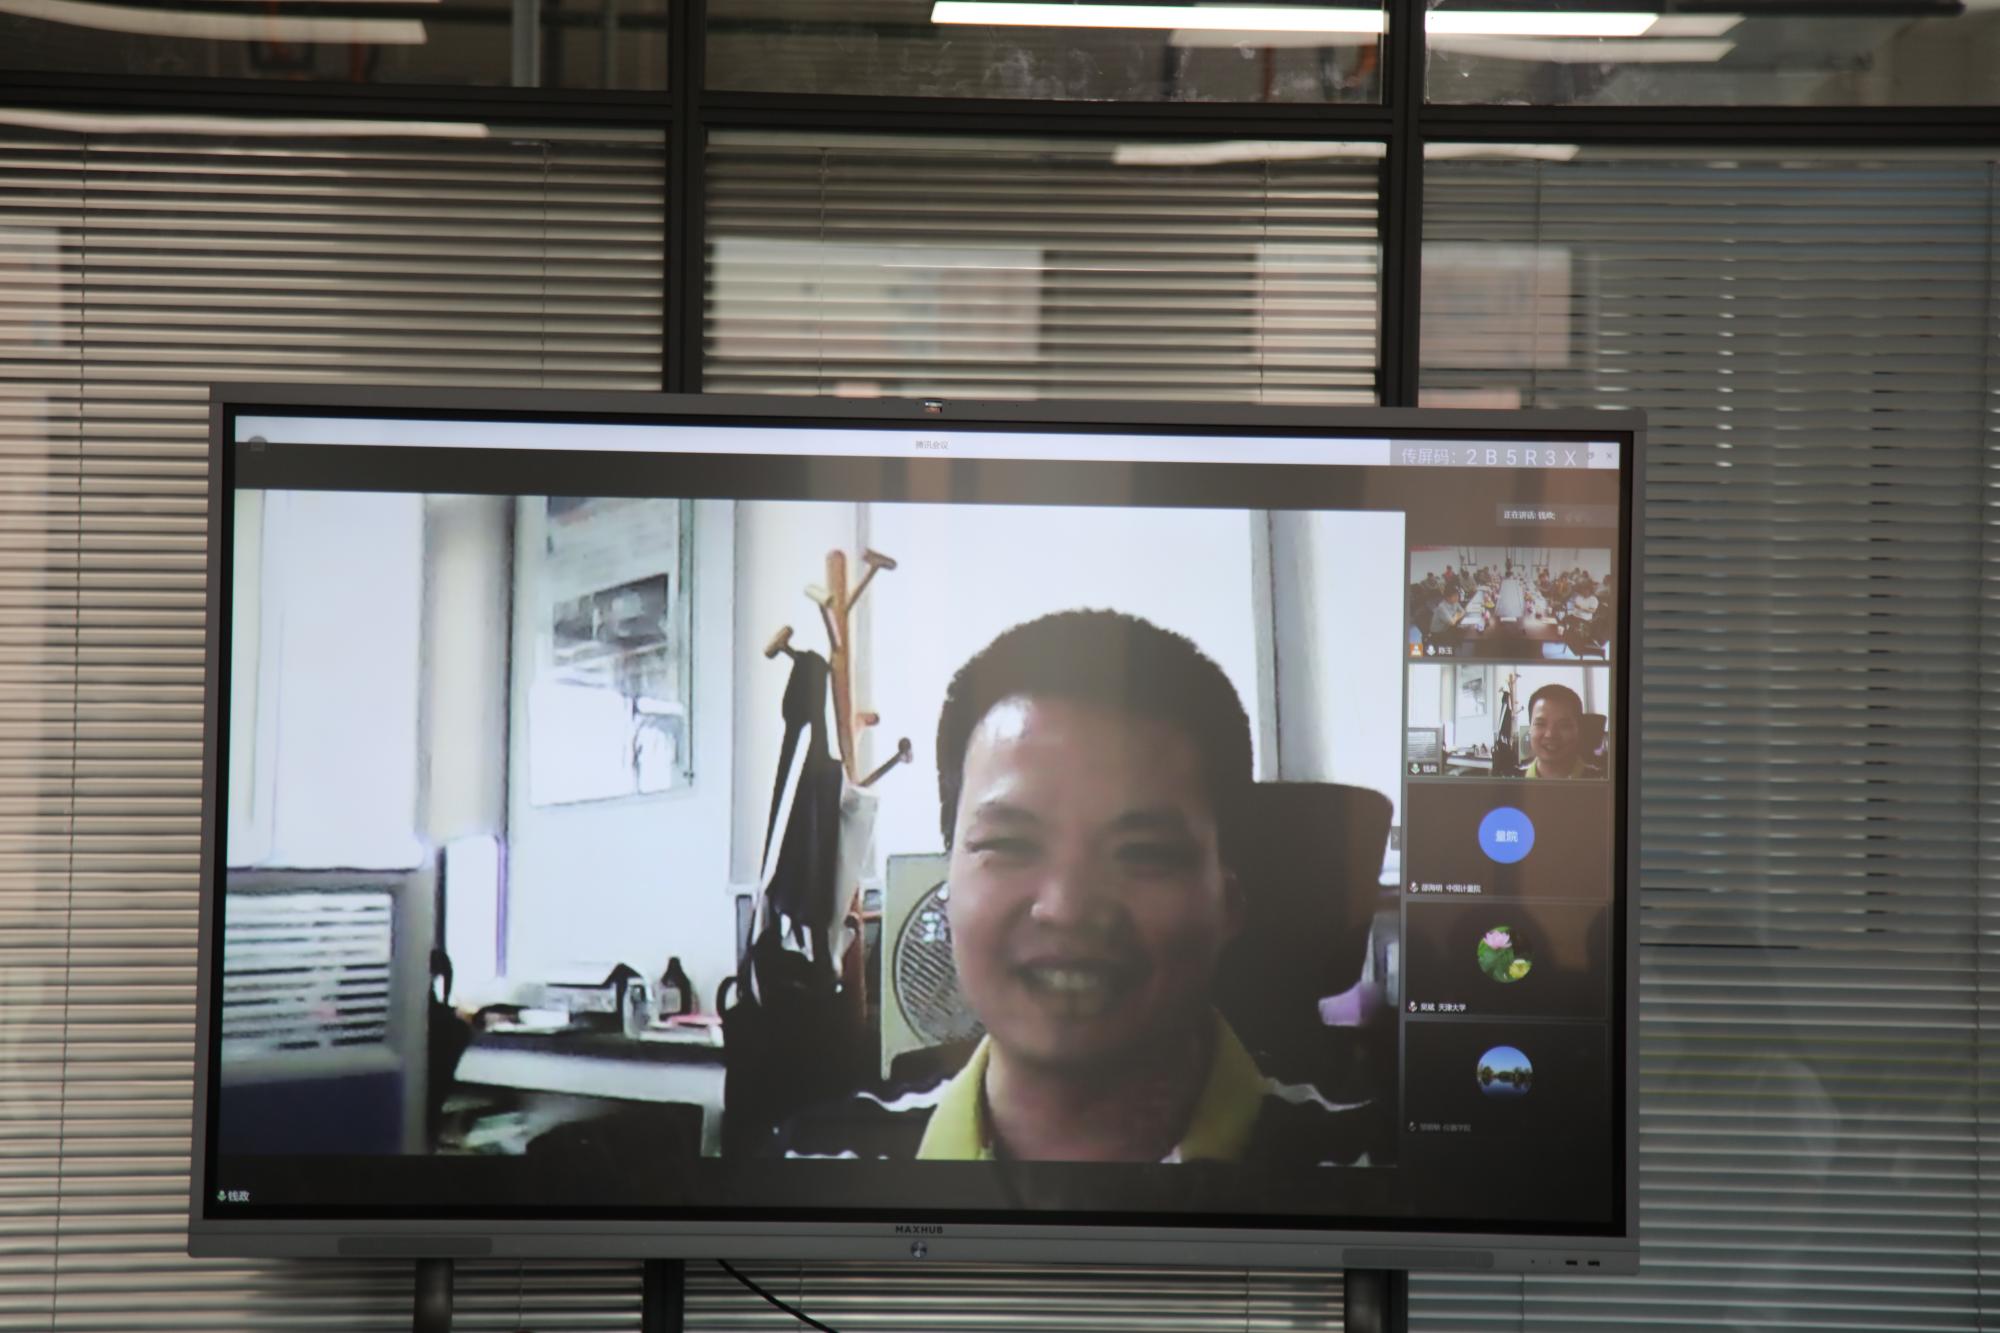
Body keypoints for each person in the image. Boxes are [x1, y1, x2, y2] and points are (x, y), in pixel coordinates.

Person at [777, 610, 1373, 1165]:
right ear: (947, 886)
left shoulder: (1374, 1174)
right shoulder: (817, 1169)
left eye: (1143, 852)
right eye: (1009, 843)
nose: (1065, 908)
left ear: (1229, 900)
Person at [1521, 683, 1600, 780]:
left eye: (1563, 725)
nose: (1550, 734)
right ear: (1530, 728)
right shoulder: (1511, 782)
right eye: (1541, 724)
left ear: (1578, 729)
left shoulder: (1601, 781)